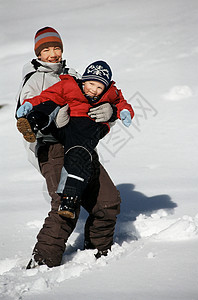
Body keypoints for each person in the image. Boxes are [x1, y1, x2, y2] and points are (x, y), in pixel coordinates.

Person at [15, 26, 123, 268]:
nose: (52, 53)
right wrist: (55, 124)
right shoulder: (33, 80)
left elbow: (97, 112)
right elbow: (25, 121)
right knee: (67, 205)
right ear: (38, 54)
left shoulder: (75, 76)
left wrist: (111, 113)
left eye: (56, 48)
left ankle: (97, 255)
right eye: (46, 49)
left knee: (107, 201)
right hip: (52, 149)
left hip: (82, 147)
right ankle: (42, 264)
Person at [16, 60, 134, 219]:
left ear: (105, 88)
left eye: (100, 87)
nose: (94, 90)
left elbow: (121, 103)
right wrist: (30, 103)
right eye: (91, 84)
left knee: (78, 156)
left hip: (86, 129)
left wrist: (123, 112)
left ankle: (69, 199)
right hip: (65, 125)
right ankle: (32, 122)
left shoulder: (111, 93)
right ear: (84, 80)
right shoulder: (69, 85)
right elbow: (48, 95)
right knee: (51, 103)